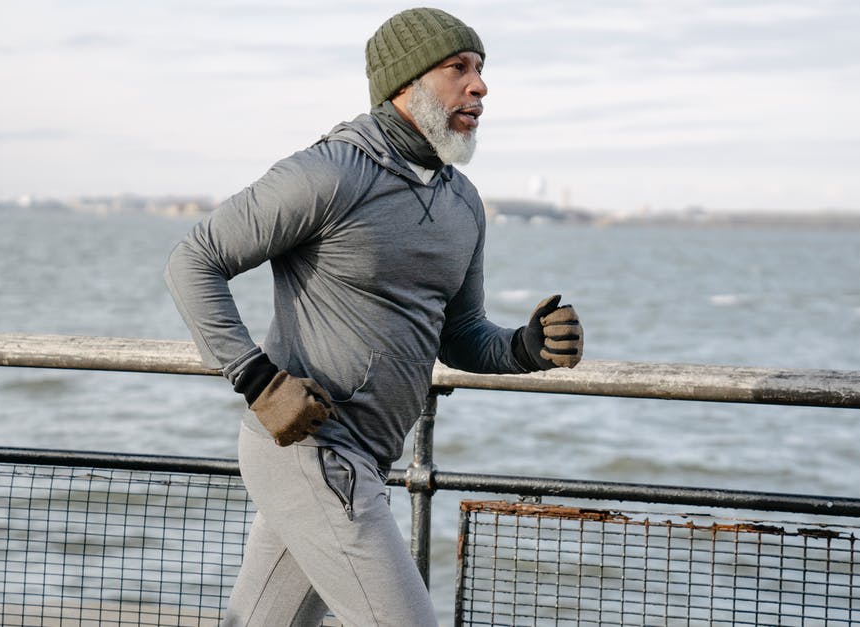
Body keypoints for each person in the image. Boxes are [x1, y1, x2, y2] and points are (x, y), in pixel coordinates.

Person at [164, 7, 583, 626]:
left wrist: (526, 347)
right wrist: (256, 380)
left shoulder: (462, 201)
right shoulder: (328, 173)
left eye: (481, 70)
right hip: (311, 450)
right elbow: (193, 260)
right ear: (404, 84)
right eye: (458, 69)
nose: (480, 86)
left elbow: (460, 335)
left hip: (369, 457)